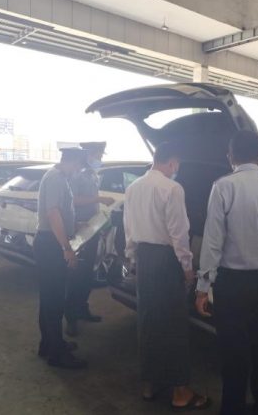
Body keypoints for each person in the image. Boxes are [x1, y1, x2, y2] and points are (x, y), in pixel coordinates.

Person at [195, 131, 258, 415]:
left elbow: (213, 242)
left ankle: (233, 408)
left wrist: (203, 287)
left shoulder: (223, 187)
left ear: (231, 157)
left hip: (233, 285)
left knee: (233, 352)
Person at [124, 142, 211, 412]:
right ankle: (180, 392)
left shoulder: (133, 187)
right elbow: (179, 233)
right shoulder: (172, 188)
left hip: (144, 259)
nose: (177, 170)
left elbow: (129, 228)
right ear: (172, 162)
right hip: (166, 260)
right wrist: (187, 267)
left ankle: (150, 384)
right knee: (173, 326)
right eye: (177, 165)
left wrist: (132, 257)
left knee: (148, 322)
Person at [33, 147, 88, 369]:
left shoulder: (59, 177)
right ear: (73, 162)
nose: (79, 171)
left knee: (49, 298)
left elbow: (61, 213)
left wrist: (76, 225)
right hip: (51, 245)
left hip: (50, 242)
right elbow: (53, 213)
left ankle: (49, 344)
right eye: (80, 166)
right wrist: (66, 247)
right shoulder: (56, 178)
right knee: (54, 300)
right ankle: (57, 355)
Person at [65, 142, 115, 336]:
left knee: (87, 274)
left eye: (101, 155)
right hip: (79, 230)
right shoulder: (77, 174)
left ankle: (82, 309)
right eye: (98, 155)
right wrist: (99, 200)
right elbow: (72, 200)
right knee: (75, 275)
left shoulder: (93, 174)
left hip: (91, 228)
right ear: (88, 155)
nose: (100, 159)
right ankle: (71, 317)